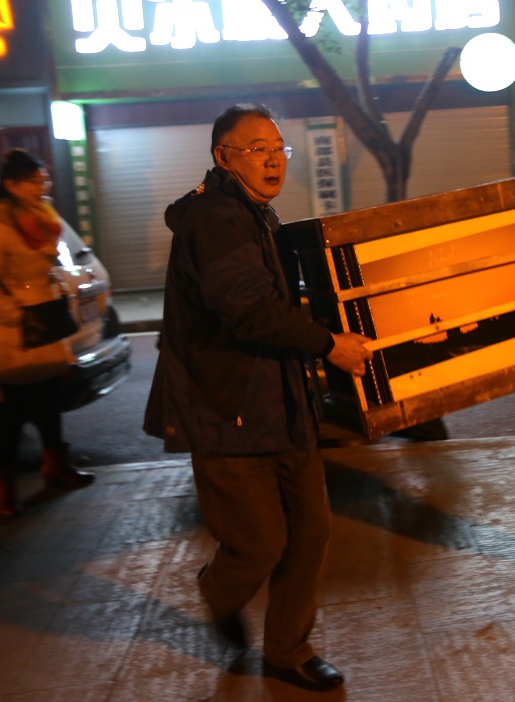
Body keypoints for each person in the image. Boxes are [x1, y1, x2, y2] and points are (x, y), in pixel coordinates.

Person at [143, 104, 372, 693]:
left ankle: (288, 650)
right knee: (258, 543)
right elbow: (248, 308)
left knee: (310, 532)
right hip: (227, 407)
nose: (274, 160)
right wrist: (329, 345)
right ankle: (219, 592)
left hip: (284, 401)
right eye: (257, 149)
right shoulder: (215, 219)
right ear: (224, 157)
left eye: (278, 148)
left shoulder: (255, 214)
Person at [0, 149, 95, 518]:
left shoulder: (41, 216)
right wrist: (14, 315)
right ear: (11, 185)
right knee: (14, 412)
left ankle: (56, 467)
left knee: (50, 402)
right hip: (15, 334)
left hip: (45, 324)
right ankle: (4, 485)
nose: (43, 186)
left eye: (45, 179)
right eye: (35, 181)